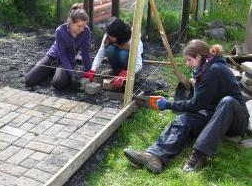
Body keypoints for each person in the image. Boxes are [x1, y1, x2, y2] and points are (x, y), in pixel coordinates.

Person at [124, 40, 249, 173]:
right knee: (185, 118)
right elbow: (199, 103)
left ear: (199, 57)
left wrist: (168, 104)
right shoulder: (205, 68)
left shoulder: (215, 70)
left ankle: (199, 156)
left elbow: (196, 104)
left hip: (236, 121)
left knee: (227, 101)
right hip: (215, 114)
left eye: (189, 60)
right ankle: (155, 156)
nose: (187, 63)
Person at [25, 4, 91, 90]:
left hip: (68, 60)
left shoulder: (86, 31)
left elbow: (85, 53)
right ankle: (51, 70)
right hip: (54, 57)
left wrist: (89, 71)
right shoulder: (60, 31)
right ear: (71, 22)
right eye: (79, 26)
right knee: (29, 80)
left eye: (84, 26)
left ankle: (56, 72)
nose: (82, 29)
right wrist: (71, 73)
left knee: (58, 83)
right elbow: (62, 54)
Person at [83, 18, 143, 89]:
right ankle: (116, 72)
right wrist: (93, 69)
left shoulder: (134, 39)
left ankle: (132, 77)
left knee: (123, 54)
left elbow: (139, 64)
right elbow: (100, 53)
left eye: (111, 36)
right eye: (108, 34)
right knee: (110, 49)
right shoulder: (108, 35)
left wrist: (126, 74)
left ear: (119, 35)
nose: (108, 36)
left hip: (131, 64)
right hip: (118, 56)